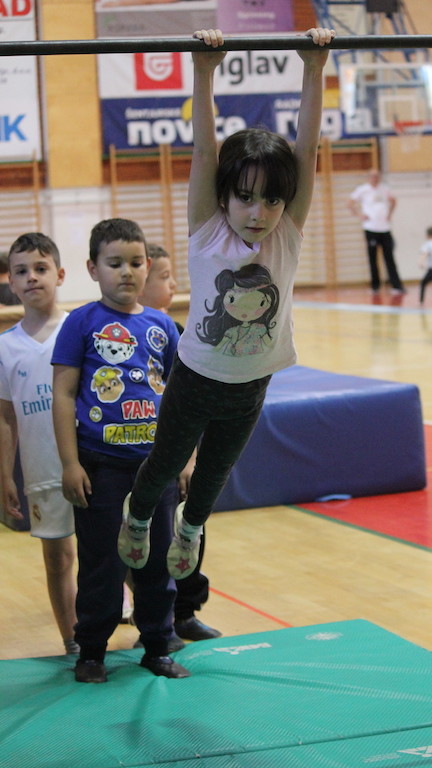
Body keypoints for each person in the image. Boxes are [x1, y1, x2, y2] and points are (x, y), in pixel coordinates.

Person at [117, 26, 335, 579]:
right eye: (245, 198)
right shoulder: (207, 229)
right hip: (195, 378)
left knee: (213, 475)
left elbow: (306, 150)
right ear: (224, 197)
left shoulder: (287, 233)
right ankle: (138, 513)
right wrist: (203, 70)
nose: (259, 213)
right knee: (165, 464)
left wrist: (314, 69)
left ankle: (191, 529)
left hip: (253, 383)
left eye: (272, 200)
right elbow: (203, 149)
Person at [51, 217, 190, 683]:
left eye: (135, 262)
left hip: (156, 469)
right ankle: (92, 651)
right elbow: (63, 394)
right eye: (115, 263)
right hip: (101, 468)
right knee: (102, 564)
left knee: (156, 561)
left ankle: (158, 645)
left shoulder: (162, 326)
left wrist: (186, 459)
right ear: (93, 268)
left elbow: (181, 398)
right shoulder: (81, 323)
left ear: (148, 265)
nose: (126, 272)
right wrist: (70, 463)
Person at [138, 243, 222, 642]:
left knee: (188, 531)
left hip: (177, 456)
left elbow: (192, 405)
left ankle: (185, 611)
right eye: (164, 277)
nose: (173, 285)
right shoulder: (124, 335)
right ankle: (152, 616)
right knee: (144, 541)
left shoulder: (179, 335)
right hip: (138, 457)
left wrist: (189, 461)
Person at [0, 233, 78, 656]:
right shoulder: (5, 347)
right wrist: (5, 476)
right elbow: (5, 418)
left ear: (59, 275)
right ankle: (72, 640)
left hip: (88, 464)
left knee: (115, 551)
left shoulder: (78, 330)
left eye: (41, 268)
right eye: (22, 271)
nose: (32, 277)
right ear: (10, 282)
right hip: (42, 469)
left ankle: (144, 626)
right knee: (57, 558)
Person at [348, 168, 405, 295]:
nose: (375, 178)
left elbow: (393, 201)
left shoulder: (384, 188)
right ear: (369, 177)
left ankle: (397, 286)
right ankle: (375, 286)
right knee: (373, 259)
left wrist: (390, 214)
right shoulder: (363, 190)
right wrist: (359, 215)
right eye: (373, 176)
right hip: (371, 228)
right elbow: (350, 203)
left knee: (389, 258)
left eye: (377, 176)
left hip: (385, 229)